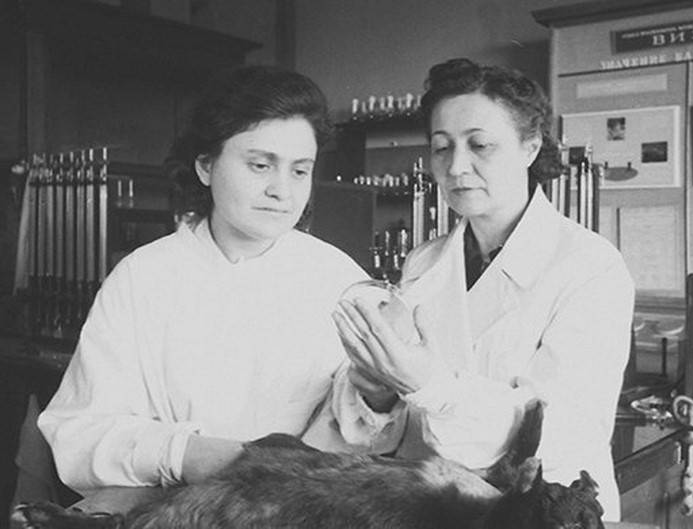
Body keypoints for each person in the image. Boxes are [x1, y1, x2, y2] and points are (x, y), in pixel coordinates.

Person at [327, 58, 634, 521]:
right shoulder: (424, 263)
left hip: (546, 514)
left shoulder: (590, 267)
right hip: (439, 510)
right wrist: (378, 393)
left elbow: (558, 435)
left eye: (480, 145)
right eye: (441, 147)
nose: (456, 167)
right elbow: (399, 433)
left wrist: (427, 386)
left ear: (531, 146)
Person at [38, 65, 367, 491]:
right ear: (206, 166)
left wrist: (376, 398)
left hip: (303, 506)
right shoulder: (143, 278)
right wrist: (188, 454)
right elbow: (80, 433)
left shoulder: (337, 278)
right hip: (171, 507)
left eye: (299, 171)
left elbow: (373, 432)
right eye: (260, 165)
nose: (282, 191)